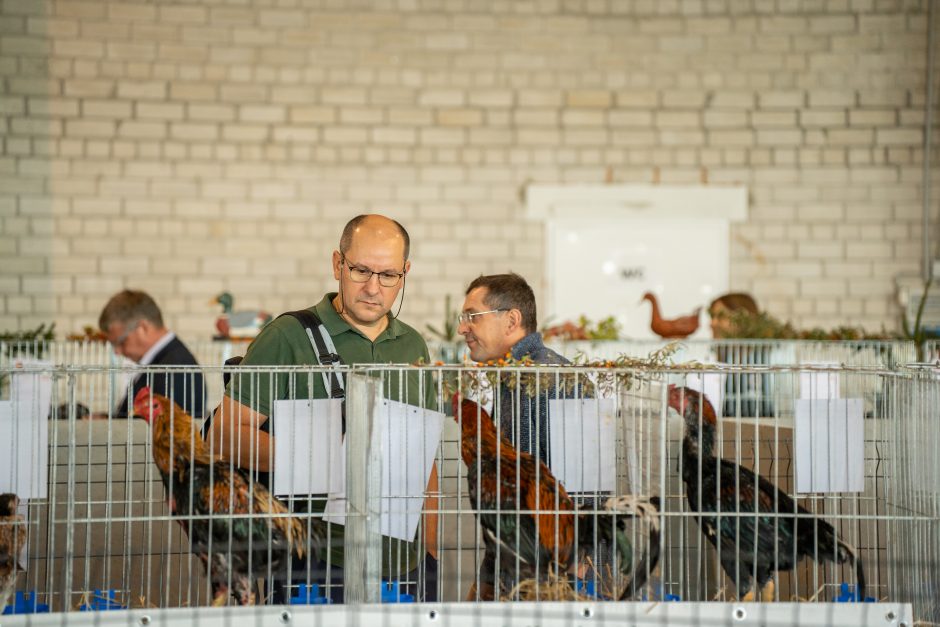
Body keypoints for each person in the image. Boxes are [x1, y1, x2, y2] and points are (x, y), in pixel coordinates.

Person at [208, 214, 439, 603]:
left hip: (404, 564)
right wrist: (329, 457)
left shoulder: (413, 345)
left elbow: (425, 456)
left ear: (405, 273)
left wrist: (429, 552)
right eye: (361, 270)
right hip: (315, 561)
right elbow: (223, 437)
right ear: (337, 264)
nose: (373, 287)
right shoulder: (288, 337)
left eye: (388, 275)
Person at [457, 273, 574, 600]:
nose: (462, 328)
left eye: (472, 317)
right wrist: (489, 578)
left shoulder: (552, 380)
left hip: (551, 581)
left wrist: (572, 579)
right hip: (523, 574)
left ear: (511, 320)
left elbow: (585, 493)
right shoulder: (511, 379)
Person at [98, 289, 205, 419]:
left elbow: (161, 430)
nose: (117, 351)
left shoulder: (175, 368)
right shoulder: (163, 361)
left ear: (143, 328)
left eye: (121, 342)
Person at [707, 292, 773, 417]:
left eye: (720, 317)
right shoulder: (720, 359)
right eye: (712, 317)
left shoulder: (762, 360)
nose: (712, 323)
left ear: (744, 320)